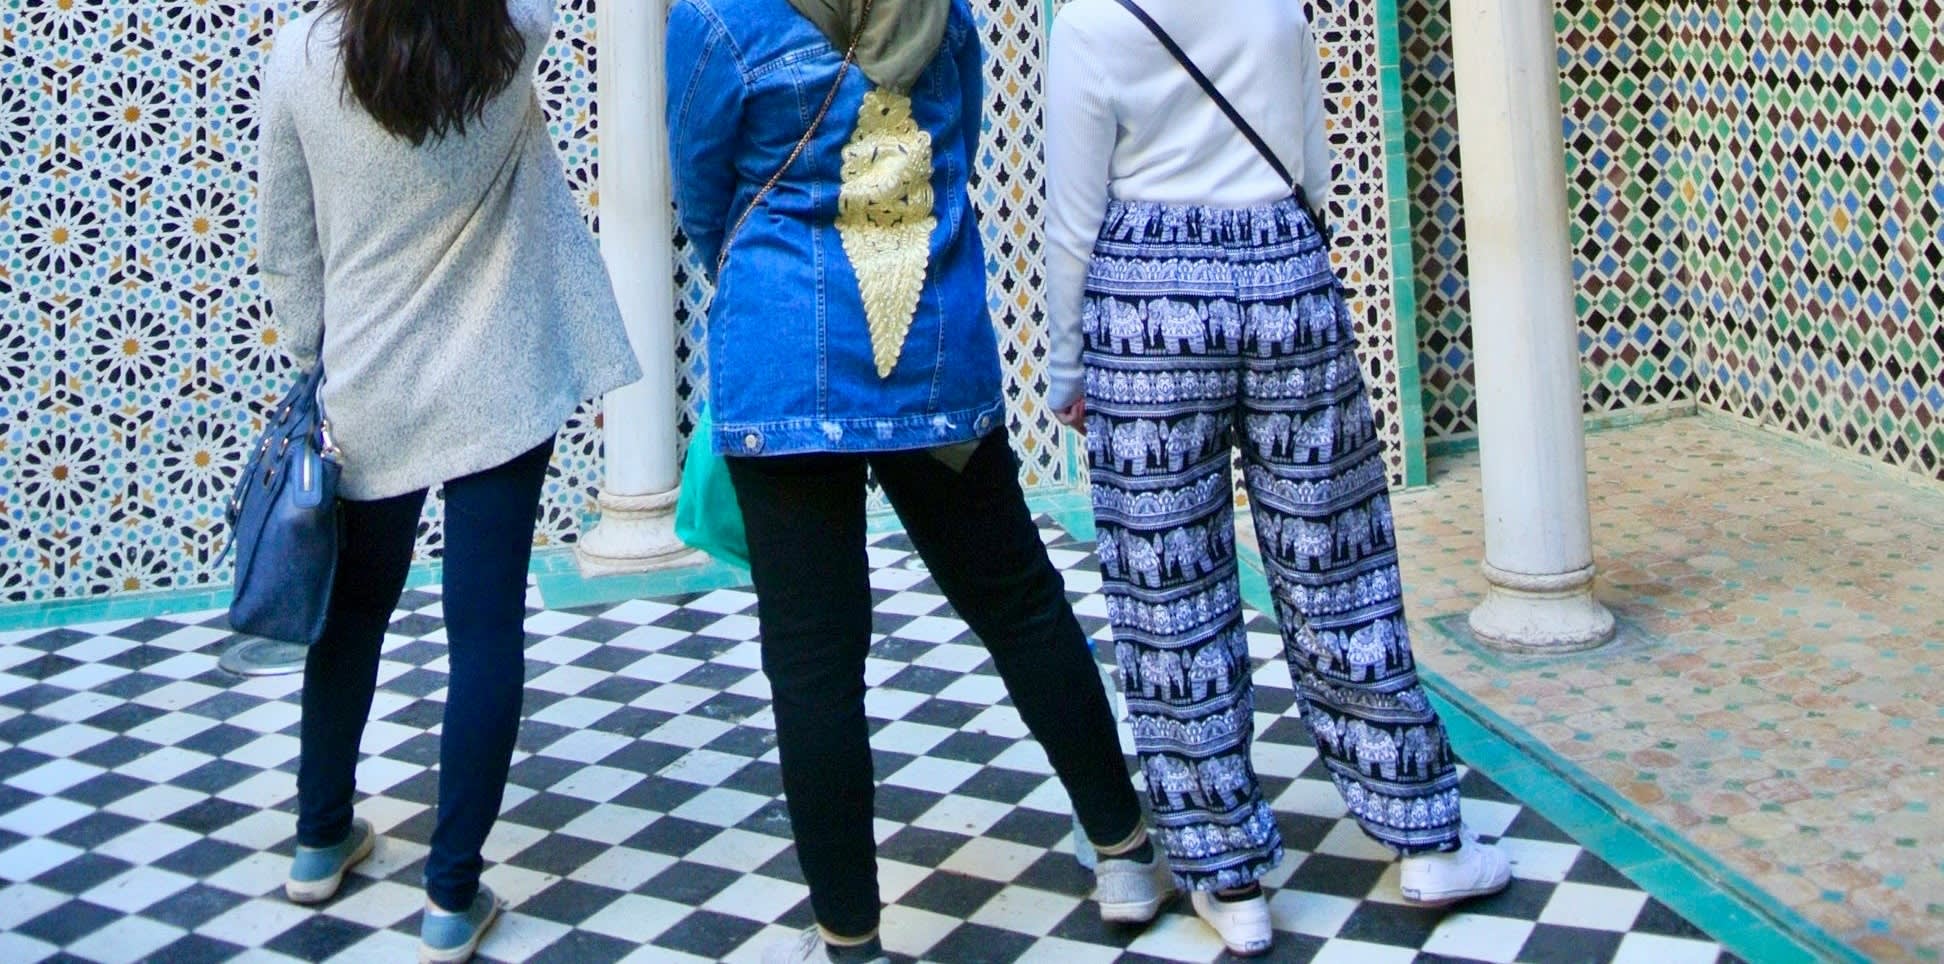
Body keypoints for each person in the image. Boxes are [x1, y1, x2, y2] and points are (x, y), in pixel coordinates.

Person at [665, 0, 1170, 961]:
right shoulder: (942, 9)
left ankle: (849, 939)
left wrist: (781, 257)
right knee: (1019, 602)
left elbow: (701, 192)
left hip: (787, 358)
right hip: (931, 350)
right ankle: (1125, 848)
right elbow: (957, 144)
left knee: (814, 664)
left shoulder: (715, 15)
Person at [1043, 0, 1511, 955]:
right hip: (1285, 274)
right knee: (1338, 568)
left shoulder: (1088, 21)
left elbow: (1072, 221)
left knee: (1171, 597)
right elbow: (1314, 171)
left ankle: (1231, 879)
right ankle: (1425, 836)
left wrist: (1064, 364)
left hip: (1148, 303)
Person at [255, 0, 639, 960]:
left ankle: (319, 838)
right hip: (498, 381)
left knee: (352, 618)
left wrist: (314, 360)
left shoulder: (298, 57)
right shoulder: (510, 36)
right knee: (485, 628)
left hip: (369, 388)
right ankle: (450, 896)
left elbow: (287, 248)